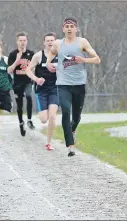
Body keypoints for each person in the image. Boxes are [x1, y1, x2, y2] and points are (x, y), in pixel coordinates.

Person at [46, 17, 101, 157]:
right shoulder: (58, 43)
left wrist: (84, 59)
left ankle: (73, 130)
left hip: (79, 84)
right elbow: (51, 53)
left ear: (76, 29)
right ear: (63, 29)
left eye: (72, 26)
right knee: (65, 111)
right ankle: (70, 145)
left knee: (76, 116)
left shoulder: (82, 42)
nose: (69, 28)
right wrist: (48, 63)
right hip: (63, 84)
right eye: (67, 26)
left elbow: (97, 59)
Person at [25, 32, 59, 151]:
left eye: (52, 40)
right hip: (42, 90)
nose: (50, 42)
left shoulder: (60, 54)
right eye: (48, 40)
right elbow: (28, 70)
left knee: (53, 116)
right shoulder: (38, 56)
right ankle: (43, 113)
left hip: (55, 89)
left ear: (55, 42)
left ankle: (48, 143)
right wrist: (36, 79)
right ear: (44, 42)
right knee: (44, 119)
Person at [8, 31, 36, 136]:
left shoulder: (31, 54)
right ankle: (21, 123)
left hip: (28, 82)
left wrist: (34, 76)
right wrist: (17, 60)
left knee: (29, 96)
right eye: (20, 41)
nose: (22, 42)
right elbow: (9, 70)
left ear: (27, 41)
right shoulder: (12, 54)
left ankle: (29, 120)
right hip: (17, 83)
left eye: (24, 40)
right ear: (17, 42)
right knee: (19, 106)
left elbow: (34, 68)